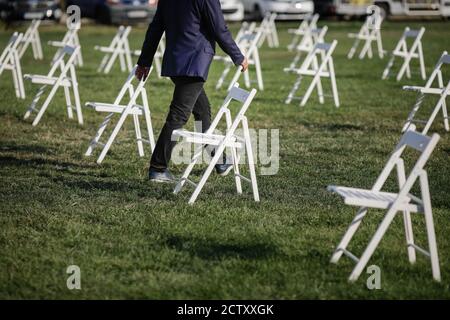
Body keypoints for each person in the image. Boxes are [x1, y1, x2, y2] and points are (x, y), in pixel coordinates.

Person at [135, 0, 248, 183]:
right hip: (195, 62)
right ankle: (158, 168)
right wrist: (238, 56)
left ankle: (219, 160)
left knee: (202, 110)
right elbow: (219, 28)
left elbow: (155, 29)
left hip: (174, 61)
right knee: (178, 116)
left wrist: (144, 61)